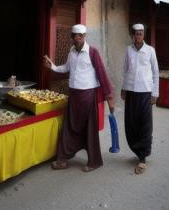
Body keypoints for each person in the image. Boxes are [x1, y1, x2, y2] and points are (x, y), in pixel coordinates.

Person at [44, 24, 114, 172]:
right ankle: (63, 159)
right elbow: (67, 68)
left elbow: (102, 73)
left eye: (79, 37)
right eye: (74, 37)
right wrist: (53, 66)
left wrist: (109, 96)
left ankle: (94, 162)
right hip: (74, 95)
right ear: (72, 38)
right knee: (68, 127)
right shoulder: (71, 52)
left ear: (84, 37)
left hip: (88, 96)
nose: (77, 39)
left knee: (89, 129)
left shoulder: (92, 52)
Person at [121, 23, 159, 175]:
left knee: (144, 124)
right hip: (131, 92)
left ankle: (142, 158)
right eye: (136, 33)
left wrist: (155, 93)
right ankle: (136, 150)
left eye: (141, 33)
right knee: (131, 123)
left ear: (144, 34)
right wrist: (123, 88)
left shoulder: (150, 51)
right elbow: (125, 70)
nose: (139, 35)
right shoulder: (128, 50)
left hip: (145, 92)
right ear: (132, 35)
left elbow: (155, 72)